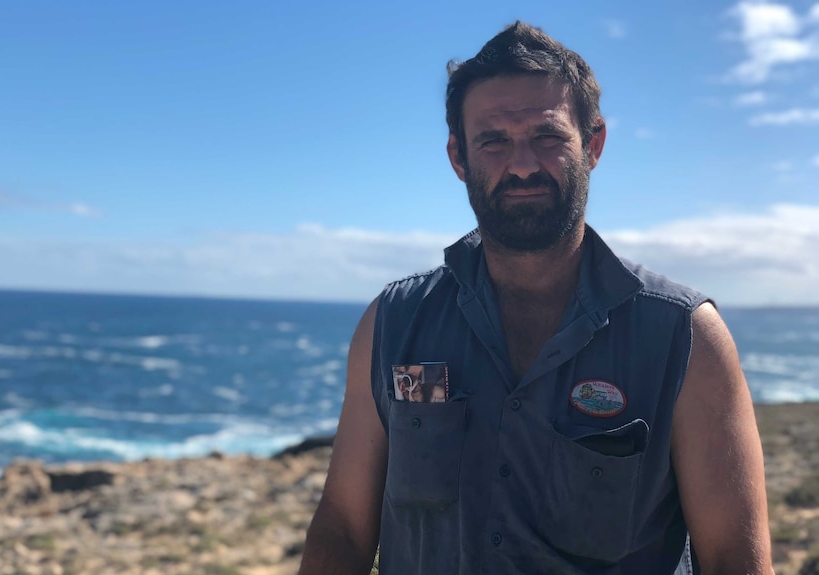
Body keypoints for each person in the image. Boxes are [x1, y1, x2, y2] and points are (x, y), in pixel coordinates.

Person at [299, 21, 773, 575]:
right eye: (493, 141)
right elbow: (343, 526)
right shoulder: (394, 323)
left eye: (548, 138)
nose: (522, 164)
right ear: (458, 158)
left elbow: (733, 561)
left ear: (593, 144)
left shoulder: (684, 337)